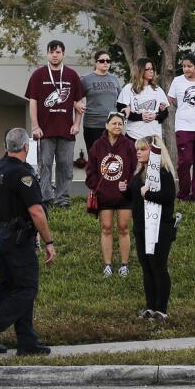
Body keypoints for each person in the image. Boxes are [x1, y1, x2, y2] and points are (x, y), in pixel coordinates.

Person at [0, 128, 56, 357]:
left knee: (9, 286)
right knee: (27, 289)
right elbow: (37, 211)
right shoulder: (23, 173)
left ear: (6, 145)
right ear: (26, 147)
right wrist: (49, 241)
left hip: (1, 235)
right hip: (19, 238)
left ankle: (26, 340)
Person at [25, 39, 85, 208]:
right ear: (47, 54)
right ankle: (45, 198)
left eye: (58, 52)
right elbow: (33, 102)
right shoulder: (38, 75)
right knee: (44, 165)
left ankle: (63, 199)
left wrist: (77, 124)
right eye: (51, 52)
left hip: (66, 130)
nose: (54, 55)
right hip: (44, 131)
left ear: (63, 54)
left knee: (65, 166)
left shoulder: (71, 75)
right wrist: (35, 126)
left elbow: (79, 103)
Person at [85, 112, 136, 277]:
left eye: (120, 124)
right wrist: (96, 187)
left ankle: (124, 264)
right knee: (106, 228)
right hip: (104, 196)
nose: (117, 126)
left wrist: (128, 184)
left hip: (124, 196)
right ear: (107, 125)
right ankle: (107, 264)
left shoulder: (129, 145)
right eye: (114, 123)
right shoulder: (97, 146)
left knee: (124, 228)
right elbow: (90, 170)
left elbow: (135, 168)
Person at [131, 136, 177, 319]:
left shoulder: (163, 173)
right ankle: (150, 307)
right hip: (141, 228)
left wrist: (147, 194)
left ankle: (161, 309)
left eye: (143, 149)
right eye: (138, 149)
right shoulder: (138, 173)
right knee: (146, 267)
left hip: (160, 228)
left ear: (154, 152)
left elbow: (168, 197)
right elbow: (133, 197)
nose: (138, 152)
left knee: (159, 266)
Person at [168, 54, 195, 202]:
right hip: (183, 126)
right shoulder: (177, 81)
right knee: (185, 161)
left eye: (189, 66)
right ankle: (184, 193)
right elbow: (170, 100)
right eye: (184, 66)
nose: (186, 69)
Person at [119, 58, 169, 145]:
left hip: (154, 136)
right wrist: (140, 116)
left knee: (154, 159)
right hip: (134, 136)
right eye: (147, 69)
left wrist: (156, 115)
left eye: (152, 69)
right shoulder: (129, 88)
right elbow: (121, 111)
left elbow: (165, 113)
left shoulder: (157, 89)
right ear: (140, 71)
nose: (151, 71)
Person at [80, 50, 122, 153]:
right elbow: (76, 97)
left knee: (111, 158)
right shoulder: (86, 79)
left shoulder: (114, 79)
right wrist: (79, 103)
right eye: (102, 61)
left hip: (112, 125)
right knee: (95, 158)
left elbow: (121, 100)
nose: (105, 63)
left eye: (108, 61)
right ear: (96, 62)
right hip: (93, 124)